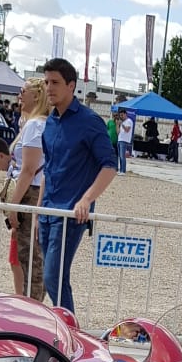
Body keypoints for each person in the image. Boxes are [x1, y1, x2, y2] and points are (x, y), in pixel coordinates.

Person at [39, 57, 116, 314]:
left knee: (53, 277)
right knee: (52, 278)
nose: (49, 88)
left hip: (71, 214)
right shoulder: (50, 122)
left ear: (71, 85)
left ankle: (68, 332)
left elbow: (109, 165)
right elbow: (48, 169)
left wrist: (87, 199)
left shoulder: (89, 121)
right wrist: (39, 209)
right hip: (48, 211)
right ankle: (64, 328)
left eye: (55, 82)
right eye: (47, 82)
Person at [0, 76, 47, 301]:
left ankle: (32, 308)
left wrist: (13, 207)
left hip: (30, 193)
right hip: (35, 192)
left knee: (29, 257)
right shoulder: (40, 124)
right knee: (34, 257)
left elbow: (28, 170)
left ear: (36, 96)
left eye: (23, 91)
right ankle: (34, 304)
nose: (19, 95)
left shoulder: (35, 125)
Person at [116, 108, 133, 173]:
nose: (121, 116)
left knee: (122, 156)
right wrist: (117, 125)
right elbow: (118, 133)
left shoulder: (129, 121)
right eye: (120, 115)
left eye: (122, 115)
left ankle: (123, 171)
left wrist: (122, 125)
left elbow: (127, 130)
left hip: (124, 140)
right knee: (120, 156)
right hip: (119, 139)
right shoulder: (122, 122)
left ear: (126, 114)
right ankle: (121, 170)